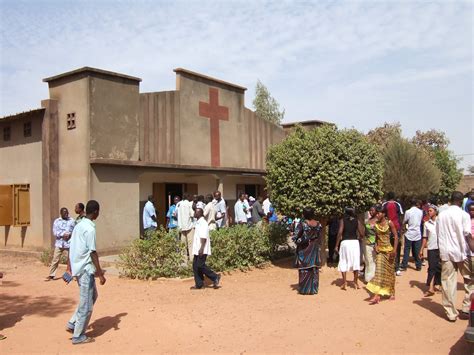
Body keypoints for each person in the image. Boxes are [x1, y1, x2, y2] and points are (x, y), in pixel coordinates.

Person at [65, 200, 106, 345]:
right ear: (96, 212)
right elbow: (93, 252)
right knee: (86, 304)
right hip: (85, 269)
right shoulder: (89, 229)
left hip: (78, 267)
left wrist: (70, 267)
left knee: (92, 295)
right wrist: (100, 273)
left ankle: (72, 323)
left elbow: (72, 247)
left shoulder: (79, 225)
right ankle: (78, 335)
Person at [436, 191, 472, 322]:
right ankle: (466, 307)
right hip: (462, 252)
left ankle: (451, 313)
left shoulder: (442, 215)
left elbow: (439, 233)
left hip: (446, 252)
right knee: (469, 280)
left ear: (451, 200)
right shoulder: (464, 215)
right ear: (461, 201)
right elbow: (467, 235)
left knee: (448, 283)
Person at [366, 205, 399, 304]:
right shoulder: (375, 225)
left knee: (389, 272)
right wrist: (375, 245)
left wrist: (395, 250)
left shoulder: (390, 223)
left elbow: (396, 236)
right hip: (380, 251)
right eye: (377, 213)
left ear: (384, 214)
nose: (377, 215)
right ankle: (377, 295)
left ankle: (391, 292)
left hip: (389, 251)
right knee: (379, 272)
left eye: (379, 213)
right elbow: (376, 237)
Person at [293, 207, 323, 295]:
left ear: (304, 214)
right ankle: (314, 289)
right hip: (314, 249)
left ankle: (304, 290)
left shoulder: (302, 224)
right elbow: (320, 238)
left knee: (304, 269)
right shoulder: (319, 224)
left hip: (305, 250)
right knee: (314, 268)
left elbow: (295, 237)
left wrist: (301, 240)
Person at [190, 208, 221, 289]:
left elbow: (203, 237)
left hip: (201, 248)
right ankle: (199, 284)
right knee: (195, 266)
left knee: (200, 265)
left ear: (200, 213)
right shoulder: (198, 222)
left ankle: (214, 277)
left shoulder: (203, 223)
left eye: (196, 212)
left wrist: (201, 248)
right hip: (197, 248)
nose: (194, 213)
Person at [336, 207, 365, 290]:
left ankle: (344, 282)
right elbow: (362, 233)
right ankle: (355, 282)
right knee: (356, 261)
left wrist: (336, 245)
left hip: (345, 242)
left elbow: (340, 232)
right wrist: (359, 238)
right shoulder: (357, 221)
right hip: (354, 243)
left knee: (343, 260)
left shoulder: (343, 220)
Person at [46, 207, 75, 281]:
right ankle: (51, 275)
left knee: (72, 259)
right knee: (55, 259)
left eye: (67, 213)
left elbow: (75, 230)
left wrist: (70, 235)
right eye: (64, 213)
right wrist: (63, 234)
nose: (66, 214)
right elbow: (55, 232)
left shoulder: (72, 221)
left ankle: (73, 275)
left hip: (69, 243)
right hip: (59, 243)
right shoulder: (57, 221)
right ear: (61, 213)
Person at [419, 204, 441, 296]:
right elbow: (425, 237)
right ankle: (431, 287)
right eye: (428, 211)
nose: (429, 212)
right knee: (431, 267)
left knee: (440, 267)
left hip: (441, 247)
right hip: (431, 247)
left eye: (431, 210)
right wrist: (421, 249)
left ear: (436, 211)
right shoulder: (426, 224)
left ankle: (439, 284)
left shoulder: (441, 222)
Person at [382, 192, 403, 275]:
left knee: (386, 247)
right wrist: (401, 228)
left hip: (386, 228)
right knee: (396, 248)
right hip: (396, 228)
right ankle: (396, 268)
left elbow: (381, 214)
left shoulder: (384, 204)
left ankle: (386, 267)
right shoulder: (398, 205)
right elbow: (401, 216)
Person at [401, 199, 424, 272]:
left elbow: (404, 221)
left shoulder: (408, 212)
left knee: (407, 250)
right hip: (417, 233)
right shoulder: (420, 212)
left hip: (409, 233)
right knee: (417, 250)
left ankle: (404, 265)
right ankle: (418, 265)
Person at [177, 193, 195, 261]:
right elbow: (192, 214)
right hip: (189, 226)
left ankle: (184, 260)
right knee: (190, 244)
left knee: (183, 244)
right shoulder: (189, 204)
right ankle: (192, 259)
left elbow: (176, 214)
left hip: (181, 227)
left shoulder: (179, 204)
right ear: (188, 197)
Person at [364, 206, 378, 283]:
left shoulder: (379, 221)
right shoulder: (367, 220)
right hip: (368, 242)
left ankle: (375, 277)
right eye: (370, 210)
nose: (370, 212)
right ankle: (369, 277)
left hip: (377, 243)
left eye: (372, 210)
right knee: (368, 260)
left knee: (375, 260)